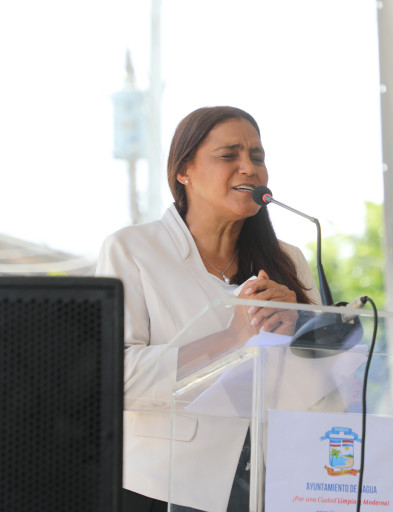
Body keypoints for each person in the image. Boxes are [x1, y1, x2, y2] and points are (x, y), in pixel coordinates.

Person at [96, 106, 321, 512]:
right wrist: (232, 338)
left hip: (270, 483)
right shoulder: (132, 250)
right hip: (163, 486)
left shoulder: (289, 261)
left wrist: (300, 332)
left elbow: (321, 389)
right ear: (184, 171)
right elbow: (115, 379)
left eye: (257, 156)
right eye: (229, 155)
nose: (249, 168)